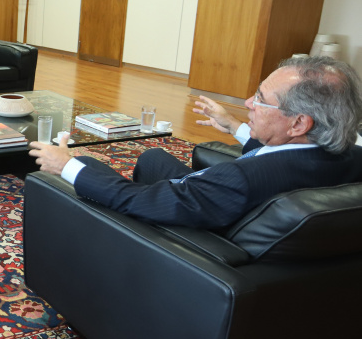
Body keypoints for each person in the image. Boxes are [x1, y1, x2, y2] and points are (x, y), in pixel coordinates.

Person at [28, 56, 362, 229]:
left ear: (300, 122)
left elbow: (139, 201)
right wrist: (234, 126)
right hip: (211, 200)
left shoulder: (238, 181)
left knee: (86, 170)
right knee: (153, 156)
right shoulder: (350, 155)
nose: (247, 103)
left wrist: (65, 163)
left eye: (260, 100)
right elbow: (283, 158)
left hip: (194, 227)